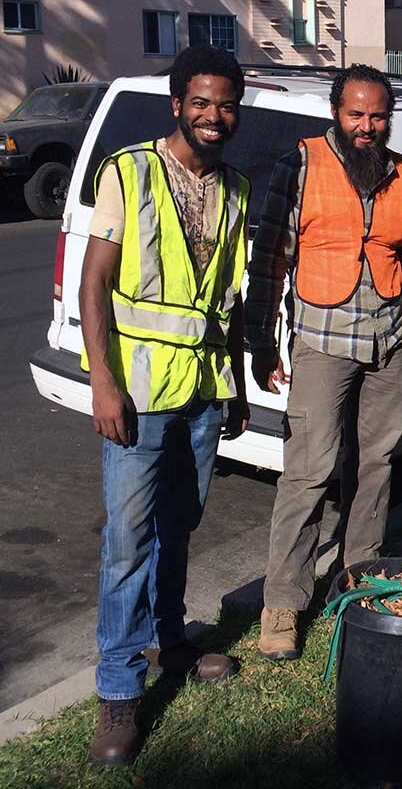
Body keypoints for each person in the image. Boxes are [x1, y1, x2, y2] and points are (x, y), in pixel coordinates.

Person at [80, 45, 250, 766]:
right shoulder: (131, 170)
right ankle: (119, 693)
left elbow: (230, 301)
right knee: (126, 544)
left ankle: (170, 642)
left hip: (205, 392)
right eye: (202, 102)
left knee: (178, 528)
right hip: (141, 392)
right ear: (177, 103)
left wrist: (234, 384)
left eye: (227, 104)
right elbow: (94, 286)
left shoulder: (236, 188)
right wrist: (103, 382)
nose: (215, 116)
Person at [246, 63, 402, 660]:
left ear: (389, 118)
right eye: (356, 114)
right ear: (337, 112)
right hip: (322, 341)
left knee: (376, 464)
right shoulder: (301, 163)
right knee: (308, 471)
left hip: (388, 340)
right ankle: (283, 602)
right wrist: (262, 339)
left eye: (377, 115)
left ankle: (362, 577)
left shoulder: (400, 173)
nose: (366, 126)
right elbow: (271, 253)